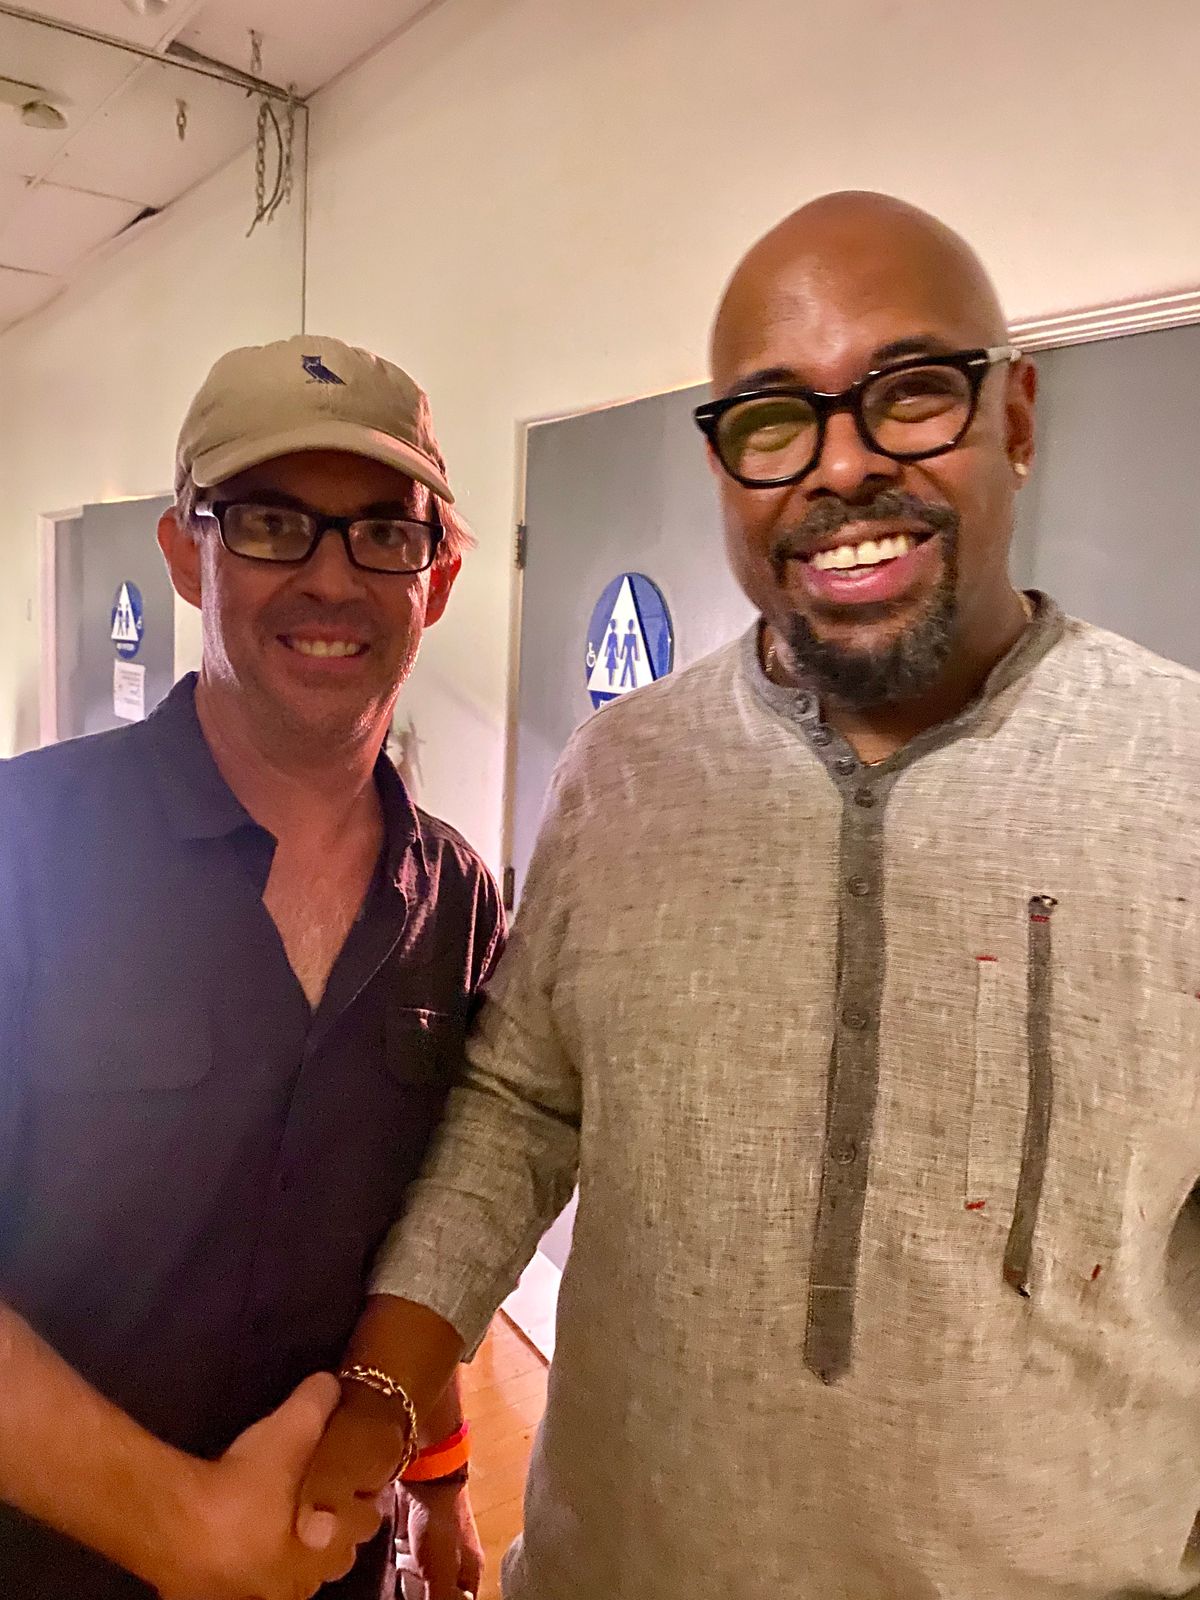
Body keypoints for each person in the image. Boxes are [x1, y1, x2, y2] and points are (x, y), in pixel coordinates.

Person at [294, 193, 1200, 1600]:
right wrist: (382, 1396)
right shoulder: (624, 769)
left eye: (912, 392)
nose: (842, 465)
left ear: (1016, 418)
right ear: (723, 467)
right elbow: (523, 1104)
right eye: (774, 419)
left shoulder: (1179, 780)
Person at [0, 335, 502, 1600]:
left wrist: (442, 1483)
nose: (330, 577)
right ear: (188, 552)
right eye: (271, 523)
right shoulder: (24, 847)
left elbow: (428, 1231)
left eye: (383, 534)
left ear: (438, 578)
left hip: (331, 1570)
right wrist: (182, 1529)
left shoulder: (458, 904)